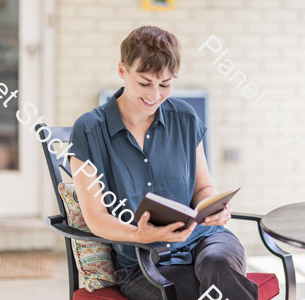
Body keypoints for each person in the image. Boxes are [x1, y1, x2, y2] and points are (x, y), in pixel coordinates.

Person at [68, 25, 258, 300]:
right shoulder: (88, 130)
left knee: (220, 264)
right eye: (145, 83)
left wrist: (215, 209)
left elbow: (203, 188)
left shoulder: (185, 117)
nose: (155, 95)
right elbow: (96, 217)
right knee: (192, 292)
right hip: (143, 258)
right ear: (122, 71)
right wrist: (138, 235)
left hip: (205, 239)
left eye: (166, 84)